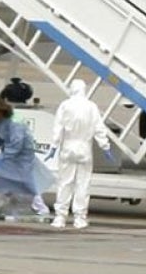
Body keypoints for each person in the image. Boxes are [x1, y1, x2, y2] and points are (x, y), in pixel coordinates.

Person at [44, 79, 114, 230]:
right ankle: (80, 218)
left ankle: (60, 217)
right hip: (84, 148)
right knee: (83, 184)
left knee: (64, 183)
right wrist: (105, 147)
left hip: (67, 147)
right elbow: (99, 128)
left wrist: (53, 148)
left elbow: (58, 129)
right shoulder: (91, 106)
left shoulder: (65, 105)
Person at [0, 97, 51, 216]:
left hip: (23, 156)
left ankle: (40, 206)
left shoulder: (15, 122)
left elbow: (17, 144)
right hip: (9, 154)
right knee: (1, 178)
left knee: (26, 181)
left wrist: (2, 159)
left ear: (0, 110)